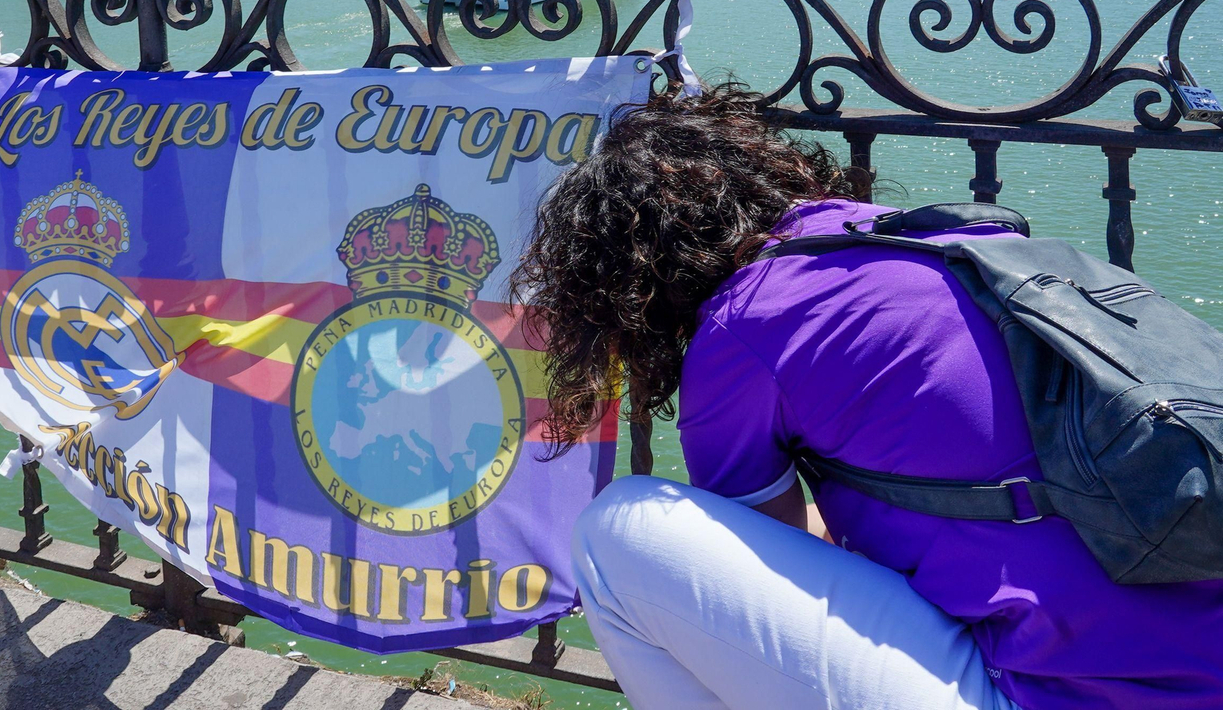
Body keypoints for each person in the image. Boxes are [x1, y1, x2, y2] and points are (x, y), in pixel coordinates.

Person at [516, 87, 1223, 710]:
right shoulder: (919, 235)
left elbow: (775, 560)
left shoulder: (739, 329)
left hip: (1072, 694)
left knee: (618, 532)